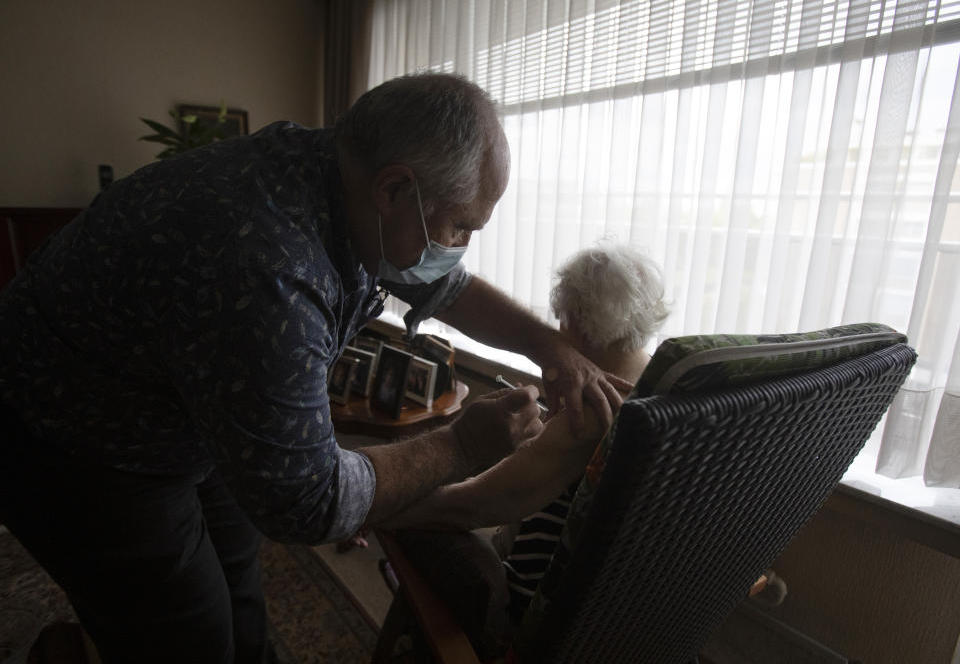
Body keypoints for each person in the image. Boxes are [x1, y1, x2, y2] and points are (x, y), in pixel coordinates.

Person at [0, 73, 629, 663]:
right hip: (78, 435)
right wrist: (467, 442)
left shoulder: (341, 174)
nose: (462, 245)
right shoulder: (264, 264)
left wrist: (551, 346)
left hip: (185, 403)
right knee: (182, 631)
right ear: (394, 190)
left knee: (236, 581)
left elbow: (446, 285)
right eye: (462, 226)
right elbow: (305, 502)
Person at [383, 241, 670, 624]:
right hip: (630, 614)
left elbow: (473, 505)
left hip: (552, 616)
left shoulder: (592, 412)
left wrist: (377, 508)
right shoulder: (668, 386)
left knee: (417, 525)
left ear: (578, 321)